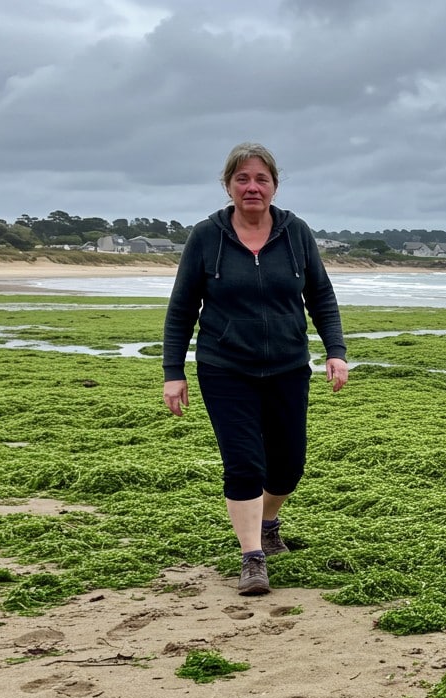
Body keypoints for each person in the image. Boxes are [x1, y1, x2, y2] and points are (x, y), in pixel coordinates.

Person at [162, 142, 348, 596]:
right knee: (244, 464)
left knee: (288, 465)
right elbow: (183, 306)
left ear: (274, 186)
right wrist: (173, 370)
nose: (252, 187)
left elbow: (320, 296)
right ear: (228, 185)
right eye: (242, 178)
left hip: (287, 365)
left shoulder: (296, 232)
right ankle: (252, 557)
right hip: (225, 367)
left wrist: (335, 351)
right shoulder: (207, 237)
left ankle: (268, 521)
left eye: (261, 179)